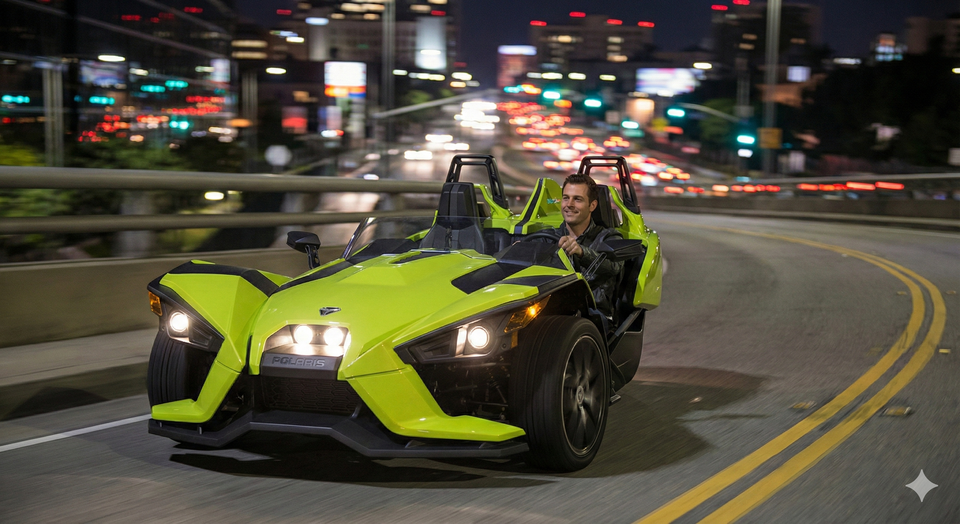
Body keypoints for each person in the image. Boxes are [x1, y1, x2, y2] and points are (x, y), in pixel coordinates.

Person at [550, 173, 623, 319]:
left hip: (593, 316)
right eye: (566, 198)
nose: (569, 204)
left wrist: (581, 252)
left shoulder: (609, 237)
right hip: (551, 310)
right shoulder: (549, 236)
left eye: (577, 199)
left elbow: (613, 266)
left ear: (592, 205)